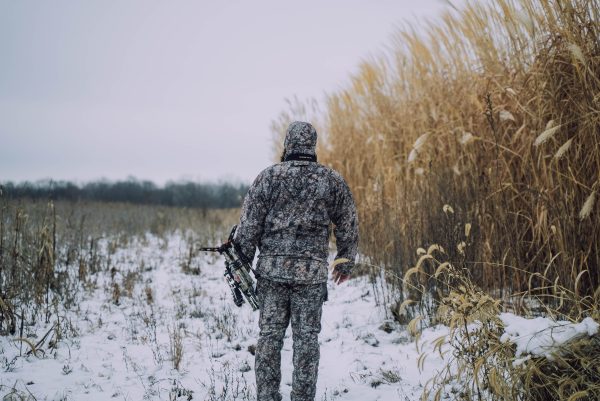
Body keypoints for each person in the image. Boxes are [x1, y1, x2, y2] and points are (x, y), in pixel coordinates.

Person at [234, 121, 359, 401]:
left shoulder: (267, 178)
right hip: (310, 276)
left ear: (287, 144)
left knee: (269, 338)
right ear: (312, 145)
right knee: (306, 342)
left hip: (271, 275)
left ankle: (267, 397)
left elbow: (248, 227)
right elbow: (348, 222)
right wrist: (345, 261)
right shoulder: (331, 180)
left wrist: (241, 262)